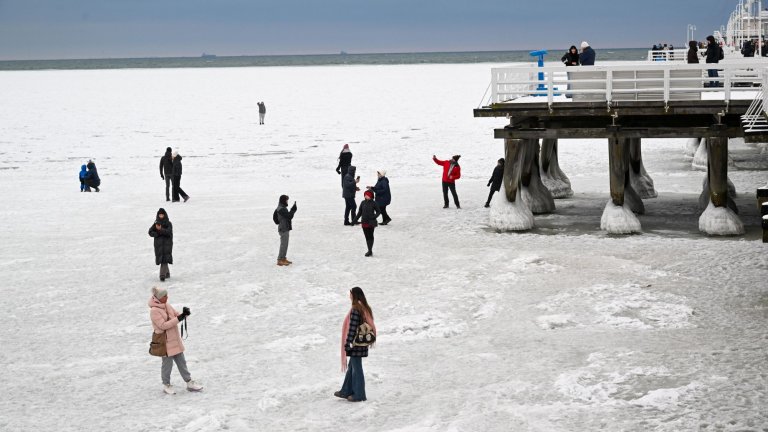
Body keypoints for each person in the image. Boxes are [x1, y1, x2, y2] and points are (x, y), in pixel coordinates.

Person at [148, 286, 203, 395]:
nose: (167, 297)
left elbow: (177, 315)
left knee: (182, 362)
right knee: (167, 366)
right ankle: (166, 384)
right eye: (165, 296)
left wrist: (184, 314)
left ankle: (189, 382)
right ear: (159, 298)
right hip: (165, 343)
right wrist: (179, 318)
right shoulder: (154, 311)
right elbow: (163, 325)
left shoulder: (167, 305)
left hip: (175, 340)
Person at [335, 287, 376, 402]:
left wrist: (348, 343)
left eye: (350, 294)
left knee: (357, 368)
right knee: (352, 367)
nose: (349, 296)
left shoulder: (356, 309)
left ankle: (359, 394)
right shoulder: (365, 308)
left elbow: (352, 328)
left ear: (354, 295)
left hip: (355, 344)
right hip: (362, 342)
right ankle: (346, 390)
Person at [352, 190, 381, 257]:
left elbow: (378, 211)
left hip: (371, 222)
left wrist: (374, 217)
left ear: (371, 196)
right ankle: (369, 250)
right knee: (367, 236)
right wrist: (354, 220)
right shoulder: (363, 203)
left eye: (367, 195)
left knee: (370, 236)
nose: (366, 196)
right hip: (364, 222)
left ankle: (370, 250)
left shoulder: (374, 203)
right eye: (365, 195)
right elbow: (359, 213)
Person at [148, 208, 173, 281]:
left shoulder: (168, 223)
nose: (161, 216)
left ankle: (162, 275)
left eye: (162, 215)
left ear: (165, 215)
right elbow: (150, 232)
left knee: (164, 259)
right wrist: (156, 234)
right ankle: (167, 273)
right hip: (158, 245)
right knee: (163, 258)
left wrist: (160, 229)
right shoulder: (156, 223)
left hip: (167, 244)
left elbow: (168, 232)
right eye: (160, 215)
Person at [275, 194, 297, 266]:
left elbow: (275, 219)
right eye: (286, 200)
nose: (287, 201)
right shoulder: (282, 209)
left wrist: (280, 222)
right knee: (284, 245)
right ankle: (280, 260)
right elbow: (289, 216)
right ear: (283, 200)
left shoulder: (279, 208)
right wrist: (293, 210)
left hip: (283, 228)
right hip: (283, 229)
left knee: (285, 244)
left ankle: (283, 258)